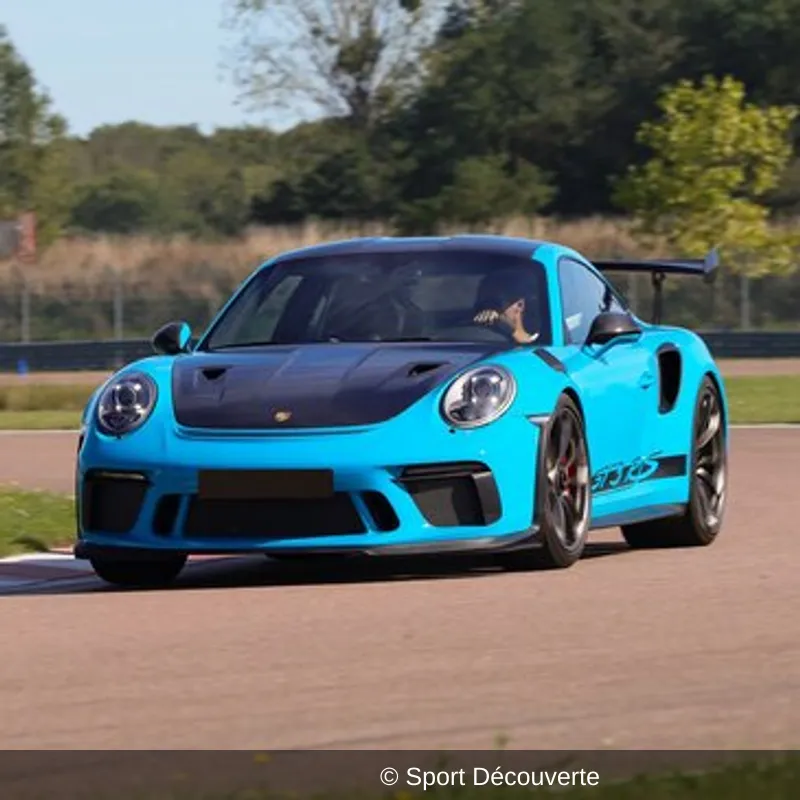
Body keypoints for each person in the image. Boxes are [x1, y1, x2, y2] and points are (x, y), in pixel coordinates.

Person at [472, 270, 540, 344]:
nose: (488, 311)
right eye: (482, 304)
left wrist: (508, 329)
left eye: (494, 304)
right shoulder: (471, 337)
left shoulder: (542, 341)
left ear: (519, 305)